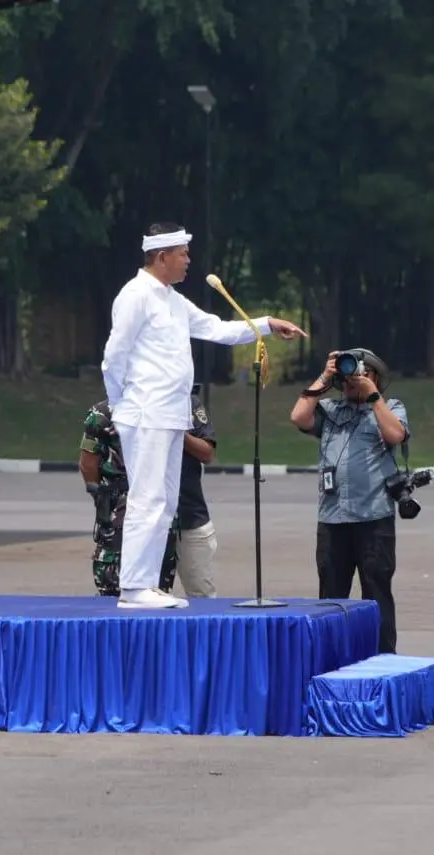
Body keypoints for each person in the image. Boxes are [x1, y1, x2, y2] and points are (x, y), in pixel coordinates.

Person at [99, 221, 306, 608]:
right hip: (144, 413)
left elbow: (218, 329)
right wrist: (120, 403)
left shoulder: (174, 300)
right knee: (146, 498)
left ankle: (144, 583)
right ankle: (132, 587)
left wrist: (266, 325)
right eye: (183, 254)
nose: (188, 260)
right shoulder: (135, 295)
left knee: (164, 501)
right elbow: (114, 355)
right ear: (162, 257)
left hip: (172, 415)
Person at [290, 348, 409, 654]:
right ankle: (329, 658)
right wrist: (325, 376)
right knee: (330, 598)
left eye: (361, 373)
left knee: (377, 594)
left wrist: (372, 396)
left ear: (376, 378)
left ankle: (383, 660)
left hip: (373, 518)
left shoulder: (390, 406)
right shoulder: (330, 409)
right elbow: (299, 416)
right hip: (332, 519)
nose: (352, 379)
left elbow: (396, 434)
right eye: (349, 373)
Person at [79, 399, 179, 597]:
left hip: (157, 497)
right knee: (113, 577)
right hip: (120, 499)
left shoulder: (164, 407)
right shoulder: (104, 413)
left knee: (157, 576)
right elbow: (87, 461)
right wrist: (101, 496)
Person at [174, 384, 218, 598]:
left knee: (202, 595)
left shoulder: (188, 403)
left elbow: (208, 453)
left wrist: (177, 432)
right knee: (146, 596)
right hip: (148, 521)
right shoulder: (134, 403)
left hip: (189, 517)